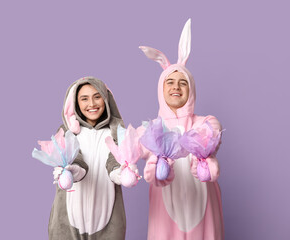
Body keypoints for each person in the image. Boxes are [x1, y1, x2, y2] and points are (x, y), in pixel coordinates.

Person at [139, 19, 224, 240]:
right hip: (164, 217)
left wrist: (207, 162)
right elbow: (132, 156)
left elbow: (213, 139)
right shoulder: (150, 131)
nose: (176, 87)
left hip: (203, 214)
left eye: (182, 82)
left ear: (191, 89)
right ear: (161, 88)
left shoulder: (206, 123)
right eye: (170, 82)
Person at [45, 76, 127, 240]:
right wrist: (72, 171)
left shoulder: (116, 132)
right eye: (84, 99)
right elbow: (77, 160)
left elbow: (114, 161)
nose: (92, 104)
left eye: (97, 97)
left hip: (107, 215)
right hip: (69, 217)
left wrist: (121, 172)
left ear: (106, 99)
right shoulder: (68, 132)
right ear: (76, 103)